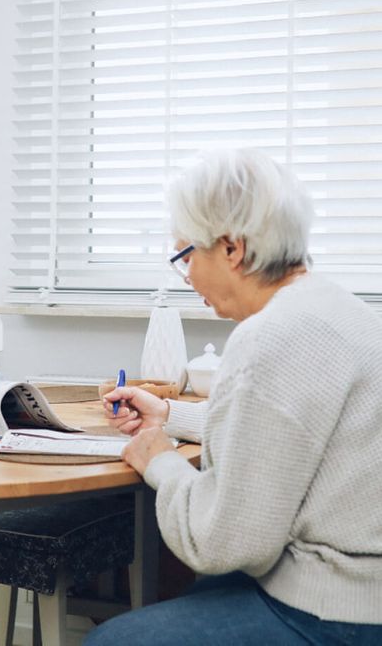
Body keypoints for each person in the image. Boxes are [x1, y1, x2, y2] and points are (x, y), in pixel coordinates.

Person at [86, 148, 382, 645]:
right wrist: (170, 416)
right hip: (364, 590)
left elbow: (222, 542)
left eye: (186, 257)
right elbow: (295, 438)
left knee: (110, 641)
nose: (189, 279)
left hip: (336, 610)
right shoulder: (339, 309)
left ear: (231, 249)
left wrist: (159, 460)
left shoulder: (270, 335)